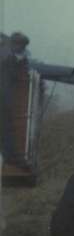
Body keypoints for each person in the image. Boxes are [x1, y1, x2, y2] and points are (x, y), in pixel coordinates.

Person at [0, 32, 31, 167]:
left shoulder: (15, 58)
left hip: (6, 100)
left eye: (23, 45)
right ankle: (10, 157)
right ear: (13, 44)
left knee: (7, 127)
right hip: (4, 99)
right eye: (20, 45)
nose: (22, 48)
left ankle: (9, 156)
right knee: (7, 127)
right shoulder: (7, 59)